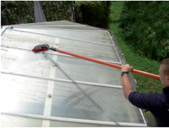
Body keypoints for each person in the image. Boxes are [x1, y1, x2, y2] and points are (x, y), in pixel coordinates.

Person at [121, 58, 169, 127]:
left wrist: (124, 72)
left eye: (159, 73)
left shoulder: (156, 101)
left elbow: (128, 93)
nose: (159, 75)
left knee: (149, 113)